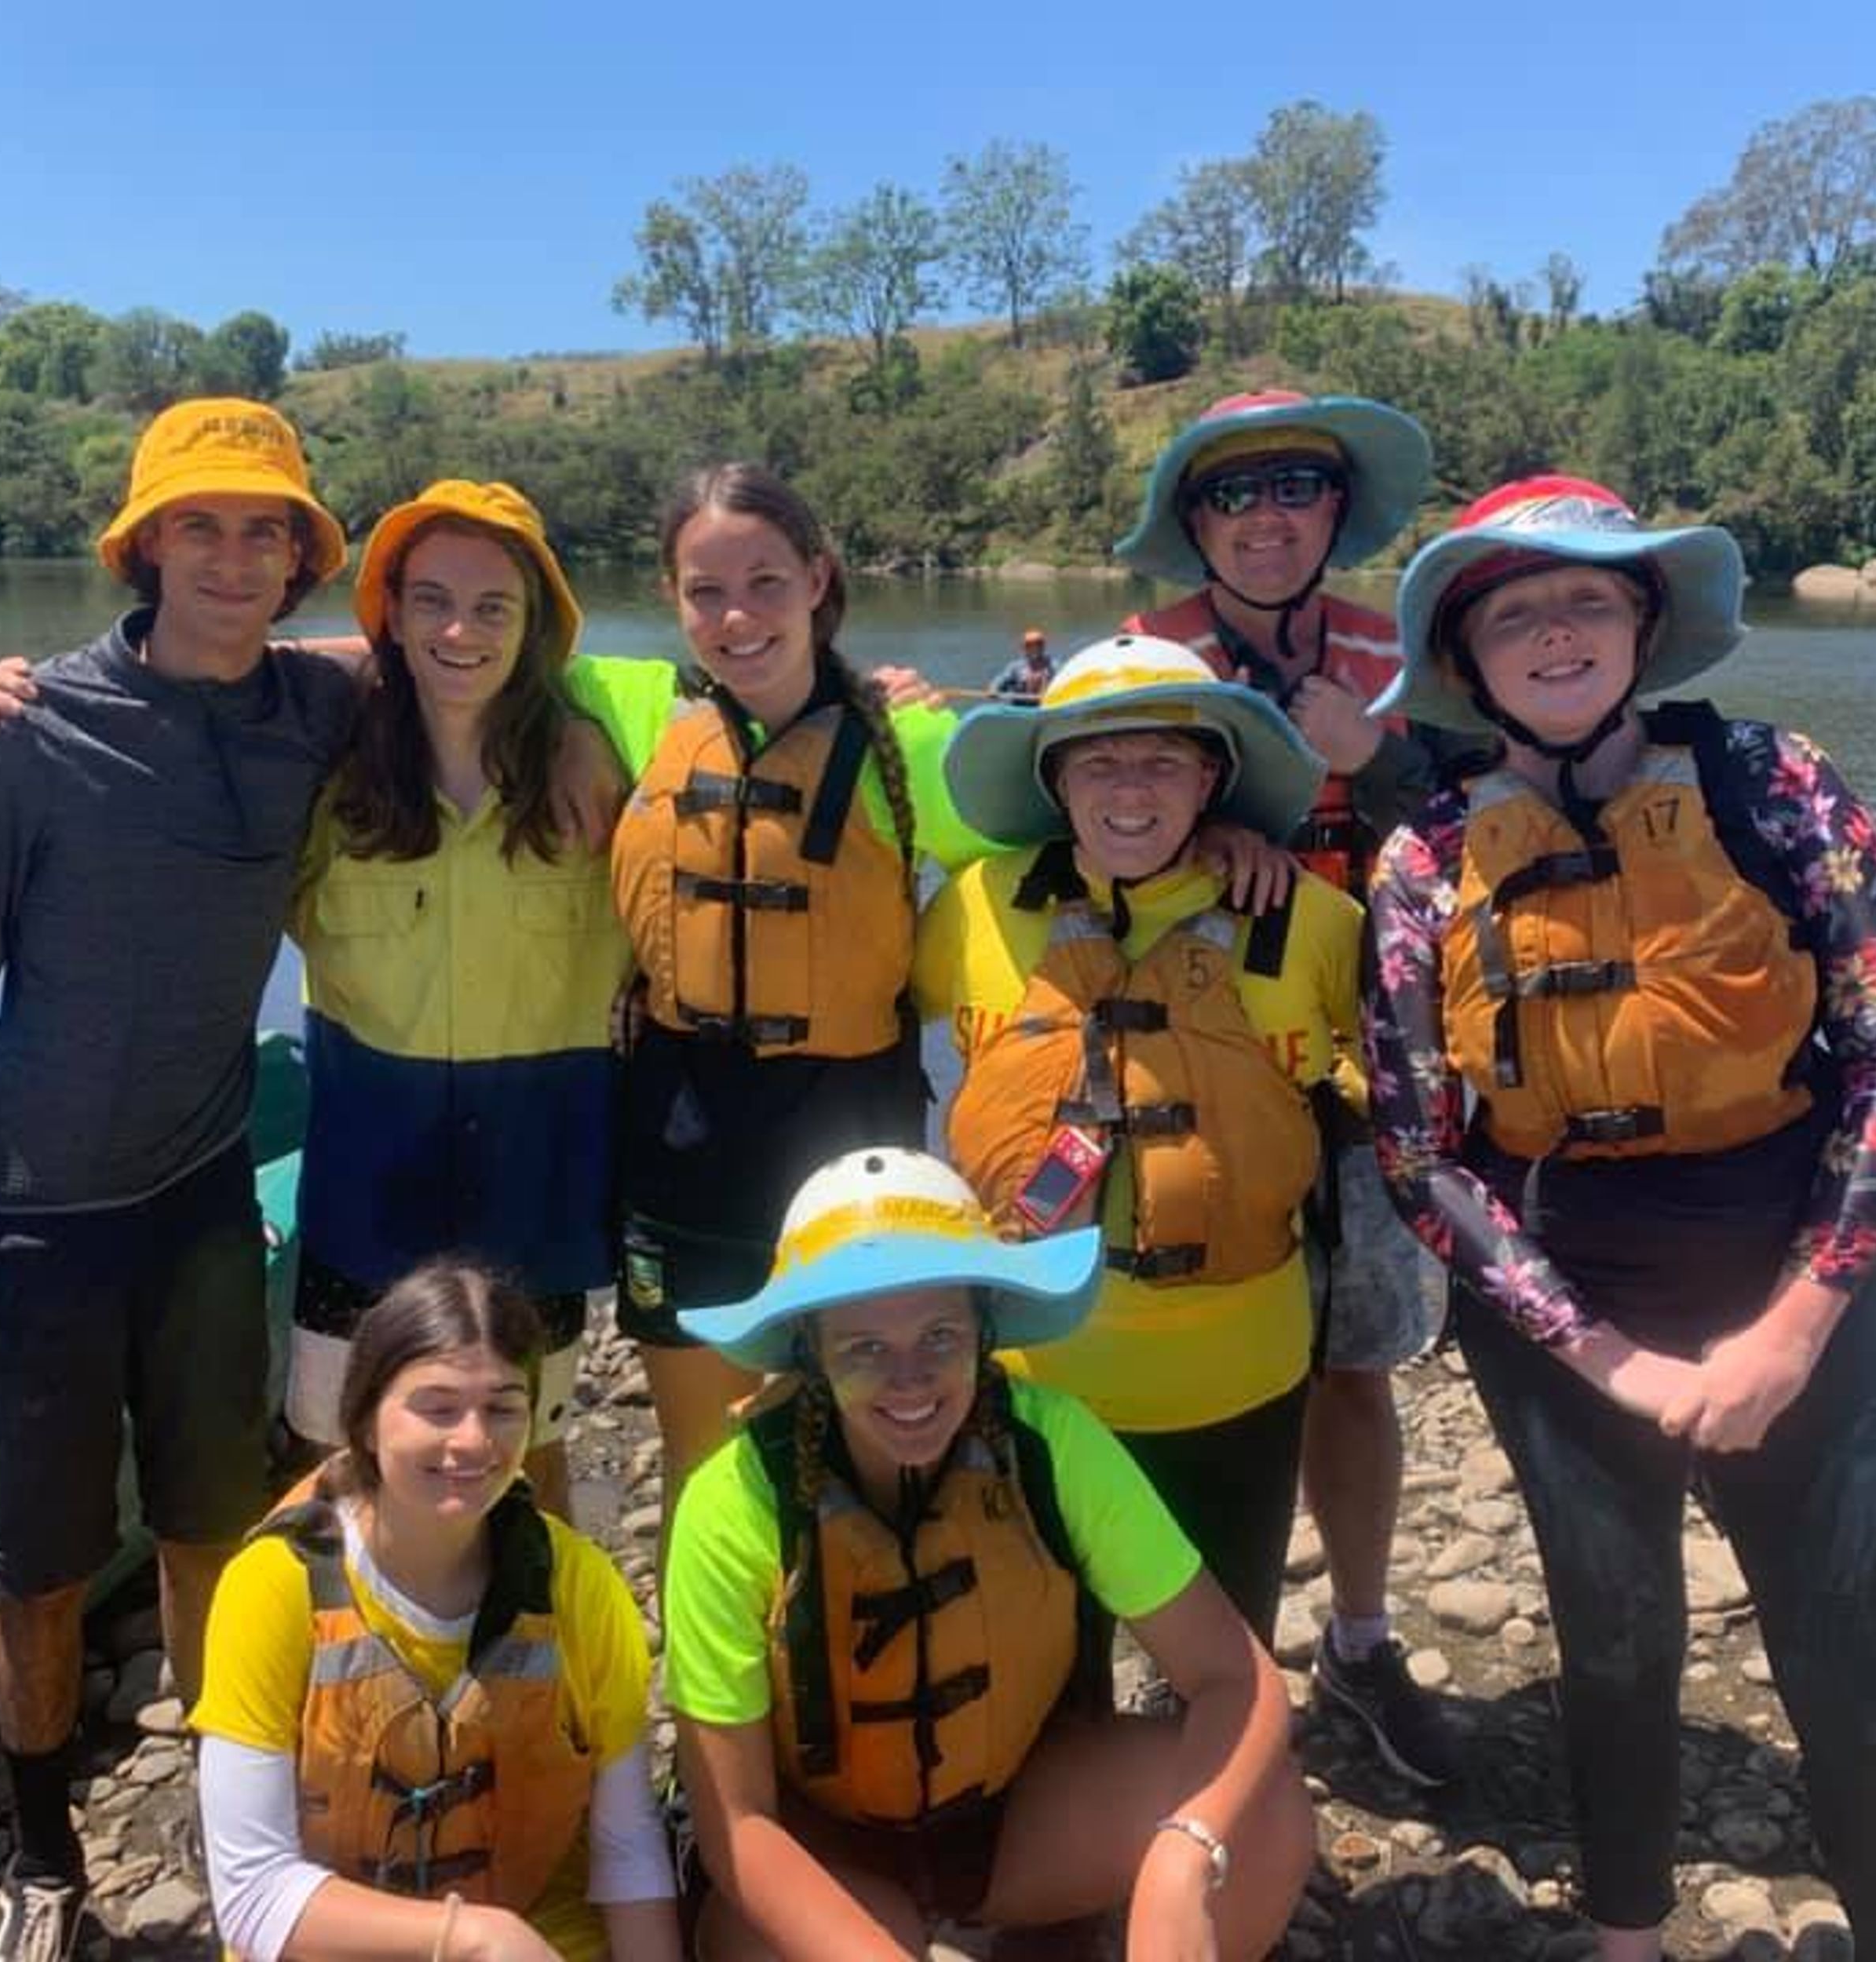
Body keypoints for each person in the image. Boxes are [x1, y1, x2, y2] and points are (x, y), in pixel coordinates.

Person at [1364, 475, 1876, 1958]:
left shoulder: (1776, 787)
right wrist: (1609, 1360)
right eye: (1513, 614)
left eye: (1588, 598)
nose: (1556, 633)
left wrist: (1796, 1327)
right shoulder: (1424, 860)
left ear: (1645, 624)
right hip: (1564, 1290)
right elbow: (1418, 1154)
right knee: (1615, 1634)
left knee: (1846, 1637)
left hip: (1791, 1262)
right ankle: (1628, 1932)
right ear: (1468, 664)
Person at [0, 398, 370, 1962]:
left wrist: (862, 683)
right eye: (201, 526)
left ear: (299, 559)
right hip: (34, 1215)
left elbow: (479, 654)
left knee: (208, 1529)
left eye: (266, 531)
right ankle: (47, 1862)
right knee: (36, 1570)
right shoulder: (26, 730)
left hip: (201, 1198)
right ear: (145, 545)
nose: (233, 558)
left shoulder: (314, 710)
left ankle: (230, 1829)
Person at [662, 1146, 1315, 1961]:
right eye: (864, 1348)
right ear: (811, 1353)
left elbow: (1235, 1677)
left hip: (1017, 1818)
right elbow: (736, 1823)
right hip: (822, 1849)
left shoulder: (1052, 1443)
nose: (910, 1380)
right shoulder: (733, 1503)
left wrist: (1184, 1854)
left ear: (984, 1330)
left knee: (1264, 1821)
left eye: (940, 1335)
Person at [1117, 387, 1454, 1782]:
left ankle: (1360, 1643)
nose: (1266, 517)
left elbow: (1484, 817)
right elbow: (1068, 814)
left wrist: (1376, 760)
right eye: (1232, 492)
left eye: (1296, 486)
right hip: (1203, 1066)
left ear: (1338, 509)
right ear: (1193, 523)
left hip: (1367, 1071)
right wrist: (1208, 841)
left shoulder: (1404, 657)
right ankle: (1191, 1666)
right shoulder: (1144, 657)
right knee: (1198, 1352)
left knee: (1354, 1366)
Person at [914, 633, 1358, 1650]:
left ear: (1212, 781)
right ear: (1052, 782)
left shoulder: (1314, 923)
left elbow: (1411, 1095)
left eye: (1164, 760)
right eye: (1097, 762)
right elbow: (851, 1039)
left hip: (1240, 1381)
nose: (1129, 789)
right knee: (1047, 1671)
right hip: (1035, 1383)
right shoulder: (973, 910)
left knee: (1228, 1660)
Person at [600, 463, 996, 1512]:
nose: (737, 617)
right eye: (705, 592)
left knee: (856, 1454)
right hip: (679, 1141)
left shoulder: (910, 742)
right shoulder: (640, 709)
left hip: (847, 1141)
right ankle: (709, 1624)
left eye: (766, 582)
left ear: (818, 580)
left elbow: (1060, 855)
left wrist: (1230, 841)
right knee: (701, 1461)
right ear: (672, 598)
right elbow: (443, 656)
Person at [284, 480, 647, 1518]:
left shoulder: (613, 760)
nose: (460, 631)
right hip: (362, 1201)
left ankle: (543, 1627)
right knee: (335, 1464)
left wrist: (894, 695)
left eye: (495, 607)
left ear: (536, 630)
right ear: (390, 616)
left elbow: (767, 683)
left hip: (535, 1198)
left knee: (531, 1465)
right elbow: (218, 672)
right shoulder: (324, 778)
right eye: (432, 601)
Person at [193, 1259, 681, 1962]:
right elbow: (252, 1894)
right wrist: (471, 1938)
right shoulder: (273, 1588)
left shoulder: (578, 1585)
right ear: (365, 1420)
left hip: (540, 1932)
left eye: (503, 1408)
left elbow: (627, 1848)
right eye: (437, 1407)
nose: (474, 1441)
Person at [988, 627, 1053, 700]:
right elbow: (1001, 680)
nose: (1034, 648)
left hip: (1046, 704)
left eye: (1038, 644)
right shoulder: (1015, 667)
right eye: (1029, 645)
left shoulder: (1054, 665)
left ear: (1043, 646)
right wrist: (993, 689)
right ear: (1024, 648)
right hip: (1020, 704)